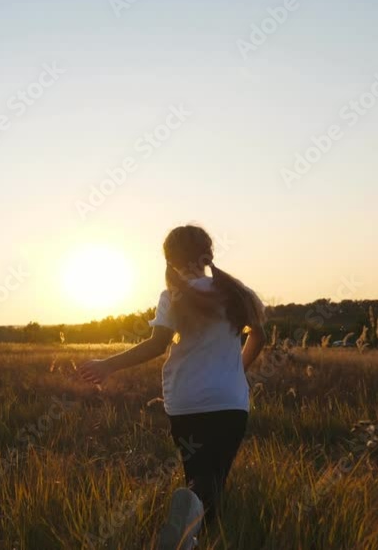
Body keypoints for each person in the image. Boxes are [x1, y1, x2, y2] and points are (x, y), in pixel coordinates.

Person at [78, 225, 267, 548]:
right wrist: (237, 369)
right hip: (230, 402)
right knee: (214, 477)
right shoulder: (238, 293)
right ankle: (193, 532)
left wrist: (108, 365)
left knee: (197, 473)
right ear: (208, 254)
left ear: (169, 260)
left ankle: (187, 532)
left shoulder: (172, 296)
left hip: (186, 402)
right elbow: (259, 336)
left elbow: (157, 345)